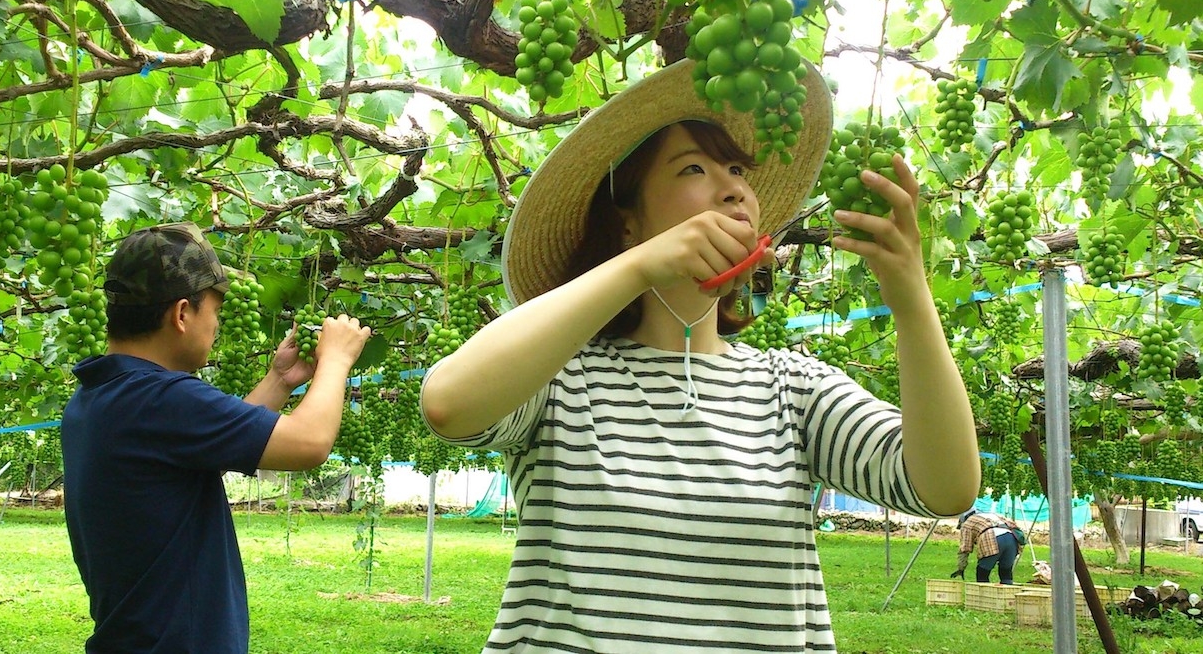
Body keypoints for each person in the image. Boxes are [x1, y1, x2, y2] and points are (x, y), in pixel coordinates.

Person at [419, 60, 981, 652]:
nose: (736, 186)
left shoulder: (793, 389)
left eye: (737, 168)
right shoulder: (562, 379)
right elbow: (450, 405)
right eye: (694, 167)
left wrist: (912, 299)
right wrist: (640, 267)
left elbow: (944, 489)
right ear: (628, 222)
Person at [62, 222, 371, 654]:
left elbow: (215, 443)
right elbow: (309, 442)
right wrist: (336, 360)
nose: (218, 326)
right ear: (182, 314)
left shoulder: (101, 396)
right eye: (216, 312)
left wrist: (281, 380)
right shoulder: (161, 398)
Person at [954, 509, 1022, 584]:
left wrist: (961, 568)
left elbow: (965, 548)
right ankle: (1008, 593)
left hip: (992, 538)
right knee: (1006, 572)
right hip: (1011, 538)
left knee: (982, 572)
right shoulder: (993, 515)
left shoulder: (967, 523)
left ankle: (984, 594)